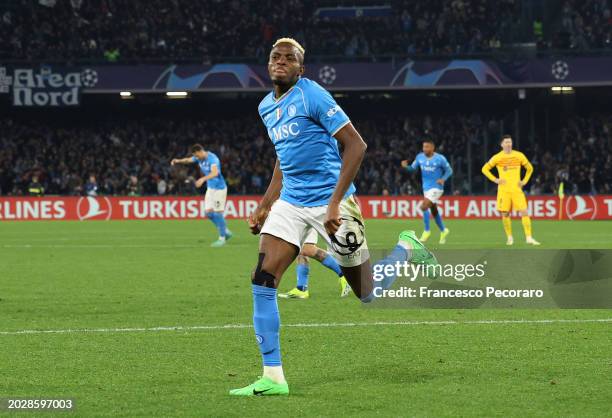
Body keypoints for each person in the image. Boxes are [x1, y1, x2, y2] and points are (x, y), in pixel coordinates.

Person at [230, 38, 437, 396]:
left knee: (367, 293)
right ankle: (273, 377)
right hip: (291, 202)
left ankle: (405, 247)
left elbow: (357, 145)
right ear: (268, 65)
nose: (281, 61)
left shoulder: (313, 95)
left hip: (330, 201)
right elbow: (284, 156)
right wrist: (265, 204)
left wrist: (334, 204)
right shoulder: (266, 107)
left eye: (289, 58)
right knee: (262, 279)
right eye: (275, 57)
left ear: (300, 68)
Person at [481, 135, 540, 246]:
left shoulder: (519, 155)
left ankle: (529, 238)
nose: (509, 144)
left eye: (510, 142)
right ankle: (509, 238)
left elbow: (530, 168)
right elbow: (484, 169)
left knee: (524, 212)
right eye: (506, 142)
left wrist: (524, 181)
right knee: (505, 214)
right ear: (502, 144)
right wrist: (495, 179)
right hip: (504, 191)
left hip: (517, 190)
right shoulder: (497, 157)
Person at [171, 144, 232, 247]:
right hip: (211, 188)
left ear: (200, 151)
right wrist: (178, 161)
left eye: (197, 155)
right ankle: (225, 231)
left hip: (219, 189)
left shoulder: (213, 159)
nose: (197, 158)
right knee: (208, 213)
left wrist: (203, 179)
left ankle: (222, 238)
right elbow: (188, 160)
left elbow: (215, 173)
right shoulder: (198, 158)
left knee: (217, 214)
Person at [401, 138, 452, 244]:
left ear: (432, 147)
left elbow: (449, 170)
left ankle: (427, 231)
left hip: (437, 188)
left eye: (427, 146)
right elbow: (413, 169)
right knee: (434, 210)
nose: (425, 149)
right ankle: (443, 230)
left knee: (424, 207)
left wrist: (443, 179)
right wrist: (406, 167)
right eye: (424, 146)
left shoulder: (440, 158)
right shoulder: (419, 157)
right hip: (426, 189)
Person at [278, 229, 351, 299]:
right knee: (301, 250)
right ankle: (301, 288)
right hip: (298, 218)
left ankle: (345, 274)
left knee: (307, 249)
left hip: (305, 217)